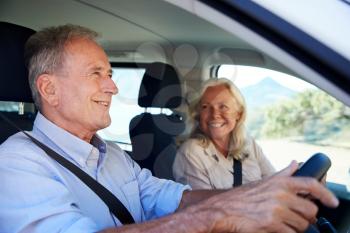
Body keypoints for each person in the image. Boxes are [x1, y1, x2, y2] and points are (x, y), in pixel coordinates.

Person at [0, 24, 338, 233]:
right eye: (96, 74)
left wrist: (254, 195)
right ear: (49, 89)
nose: (113, 88)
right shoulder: (16, 163)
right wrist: (218, 216)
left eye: (110, 74)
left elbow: (173, 199)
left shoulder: (112, 154)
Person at [173, 78, 275, 189]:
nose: (215, 114)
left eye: (223, 107)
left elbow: (274, 183)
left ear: (238, 114)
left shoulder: (248, 143)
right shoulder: (191, 152)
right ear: (198, 114)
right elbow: (204, 204)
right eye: (205, 107)